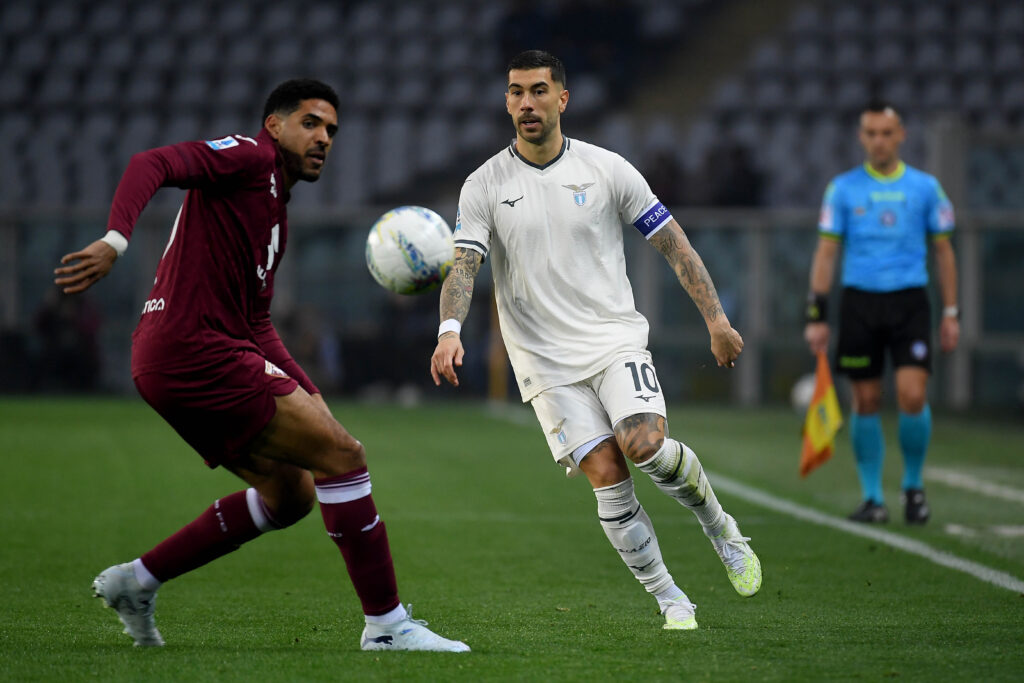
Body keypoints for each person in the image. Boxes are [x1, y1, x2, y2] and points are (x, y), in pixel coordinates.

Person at [54, 79, 468, 652]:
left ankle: (137, 581)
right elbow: (152, 161)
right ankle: (388, 627)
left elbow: (255, 323)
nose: (323, 137)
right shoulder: (249, 159)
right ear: (274, 126)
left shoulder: (274, 207)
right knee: (344, 457)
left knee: (291, 495)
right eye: (310, 123)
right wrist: (116, 240)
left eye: (331, 130)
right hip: (195, 350)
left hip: (175, 359)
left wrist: (308, 390)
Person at [430, 50, 761, 631]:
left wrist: (717, 320)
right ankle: (670, 599)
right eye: (514, 92)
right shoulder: (483, 185)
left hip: (613, 341)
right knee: (607, 474)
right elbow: (464, 266)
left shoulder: (608, 169)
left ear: (563, 98)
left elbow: (674, 245)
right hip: (544, 363)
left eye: (537, 90)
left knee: (645, 445)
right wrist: (449, 331)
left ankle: (720, 528)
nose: (525, 103)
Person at [804, 100, 959, 525]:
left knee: (912, 395)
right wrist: (817, 313)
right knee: (866, 399)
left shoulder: (926, 188)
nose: (879, 141)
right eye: (871, 133)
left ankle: (913, 488)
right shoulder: (842, 189)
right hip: (859, 303)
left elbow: (944, 252)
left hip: (910, 301)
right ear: (861, 137)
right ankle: (873, 497)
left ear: (901, 135)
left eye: (886, 133)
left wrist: (950, 310)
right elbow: (826, 252)